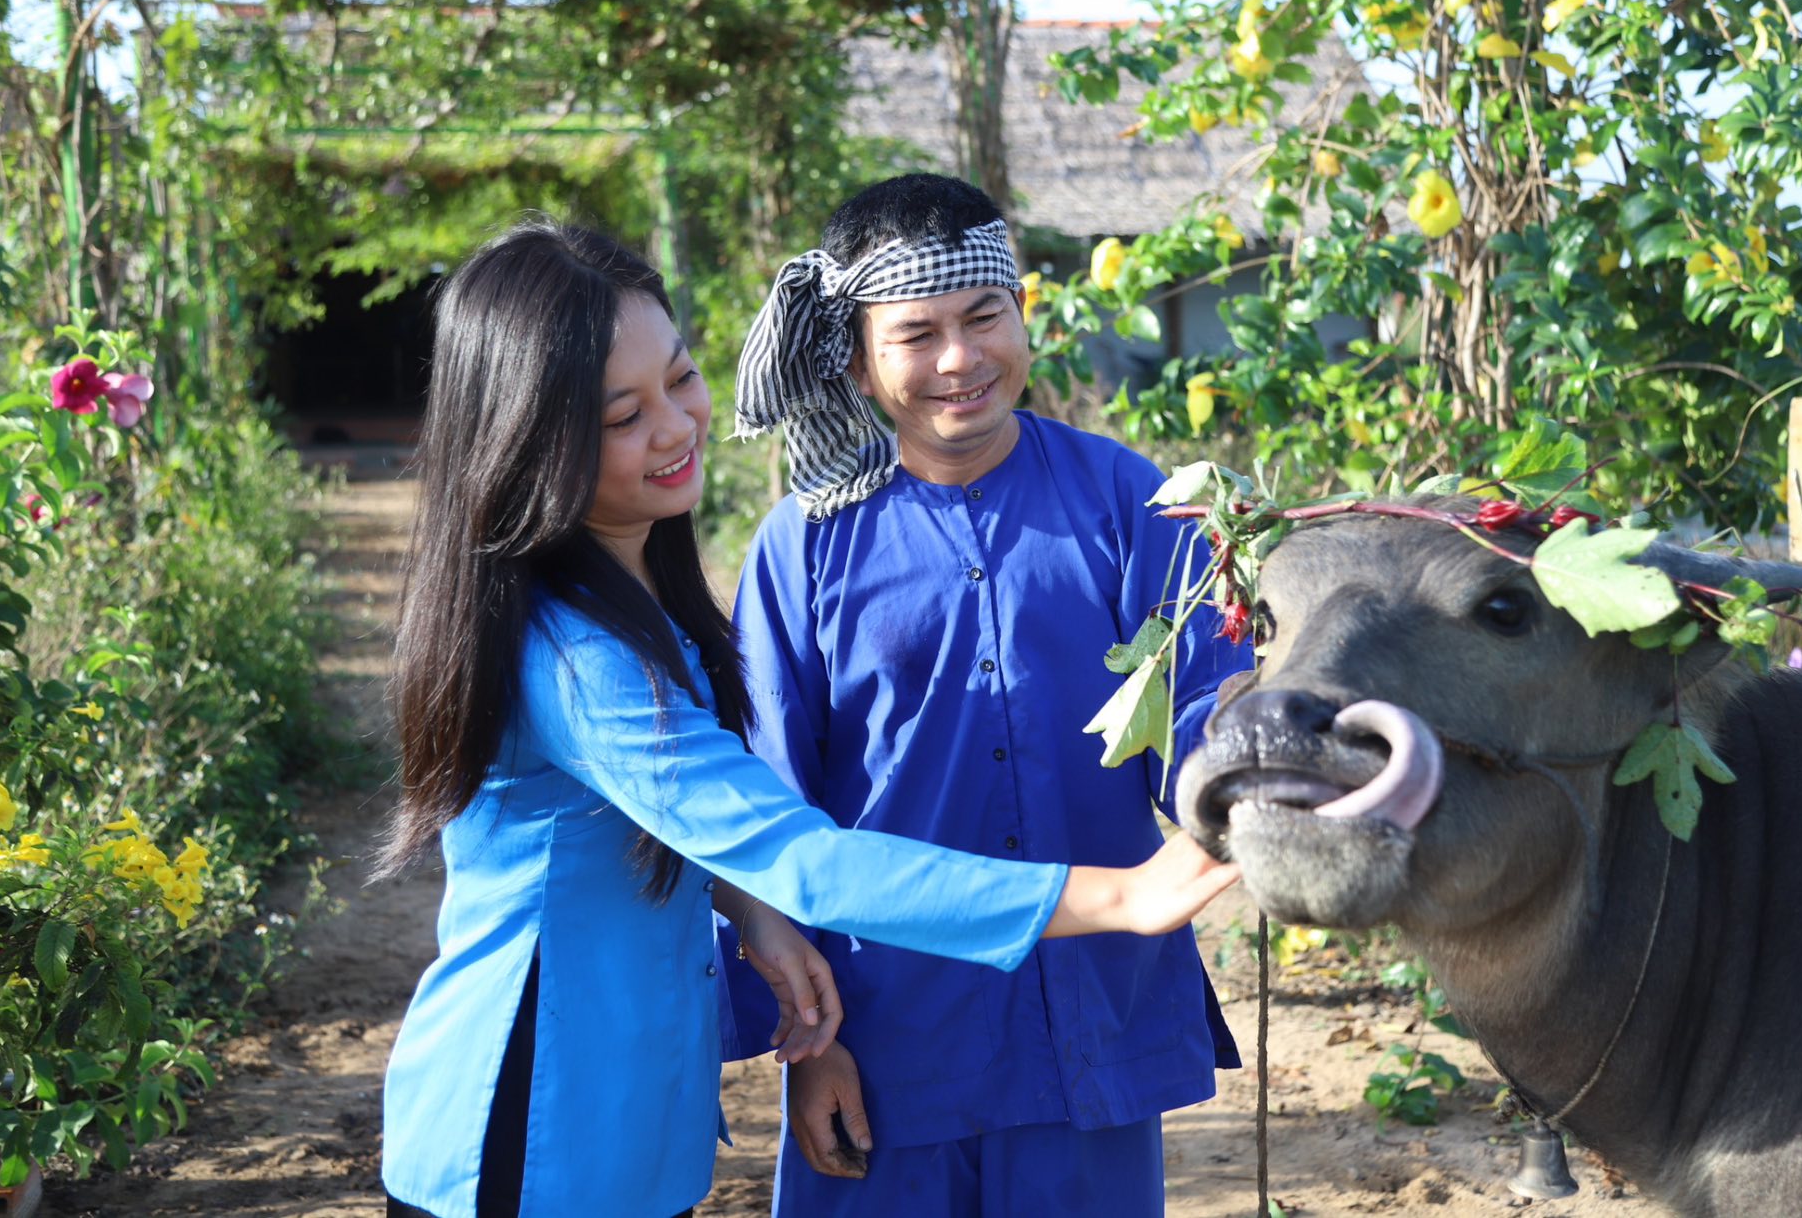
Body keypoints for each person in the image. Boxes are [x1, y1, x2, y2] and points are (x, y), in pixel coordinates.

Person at [376, 218, 1242, 1218]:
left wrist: (756, 922)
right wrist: (1124, 898)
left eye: (682, 377)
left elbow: (705, 820)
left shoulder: (646, 595)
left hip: (637, 1121)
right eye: (621, 414)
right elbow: (795, 844)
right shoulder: (587, 648)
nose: (674, 425)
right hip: (538, 1123)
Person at [730, 174, 1254, 1216]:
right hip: (884, 1039)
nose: (959, 360)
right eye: (915, 333)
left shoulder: (1129, 502)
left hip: (1092, 1030)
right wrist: (808, 1053)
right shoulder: (802, 547)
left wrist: (1252, 783)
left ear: (1024, 314)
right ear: (855, 357)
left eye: (983, 317)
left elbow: (1207, 710)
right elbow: (761, 814)